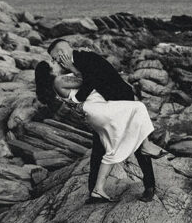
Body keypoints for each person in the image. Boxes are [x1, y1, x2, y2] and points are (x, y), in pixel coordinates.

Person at [36, 39, 161, 202]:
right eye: (53, 60)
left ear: (62, 52)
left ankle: (149, 186)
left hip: (120, 99)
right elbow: (84, 83)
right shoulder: (74, 64)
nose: (55, 61)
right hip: (104, 106)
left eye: (56, 57)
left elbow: (88, 82)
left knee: (136, 143)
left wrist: (78, 103)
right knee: (99, 147)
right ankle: (95, 191)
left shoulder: (85, 58)